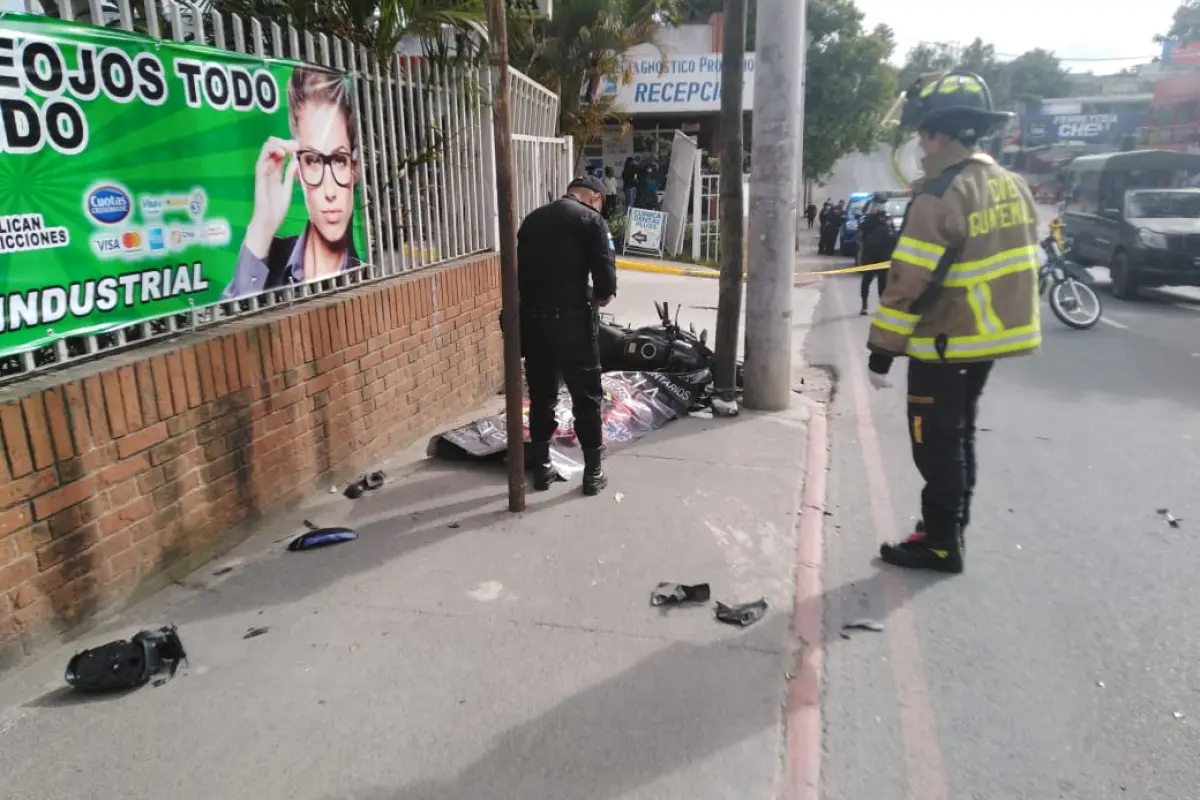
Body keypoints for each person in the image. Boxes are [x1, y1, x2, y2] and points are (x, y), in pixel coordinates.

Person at [865, 71, 1040, 574]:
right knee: (959, 438)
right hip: (985, 342)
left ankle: (940, 543)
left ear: (939, 134)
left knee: (936, 445)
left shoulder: (942, 194)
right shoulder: (1012, 185)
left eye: (923, 133)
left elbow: (908, 281)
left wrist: (882, 350)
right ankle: (948, 529)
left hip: (945, 343)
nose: (920, 143)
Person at [517, 175, 618, 496]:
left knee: (542, 395)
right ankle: (593, 472)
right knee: (586, 397)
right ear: (596, 198)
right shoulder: (591, 221)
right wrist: (595, 297)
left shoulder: (531, 220)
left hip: (534, 322)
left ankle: (543, 467)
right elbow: (605, 286)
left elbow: (521, 275)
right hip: (574, 323)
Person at [226, 66, 361, 299]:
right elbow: (229, 327)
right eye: (313, 160)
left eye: (339, 160)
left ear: (354, 169)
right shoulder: (267, 260)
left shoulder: (365, 269)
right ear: (298, 170)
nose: (330, 191)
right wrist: (262, 226)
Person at [856, 193, 898, 315]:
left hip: (884, 256)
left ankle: (881, 306)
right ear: (874, 204)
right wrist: (860, 255)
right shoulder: (868, 220)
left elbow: (893, 238)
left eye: (883, 204)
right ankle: (864, 305)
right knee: (866, 280)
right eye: (879, 204)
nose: (881, 207)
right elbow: (860, 237)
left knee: (883, 283)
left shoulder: (888, 220)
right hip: (870, 256)